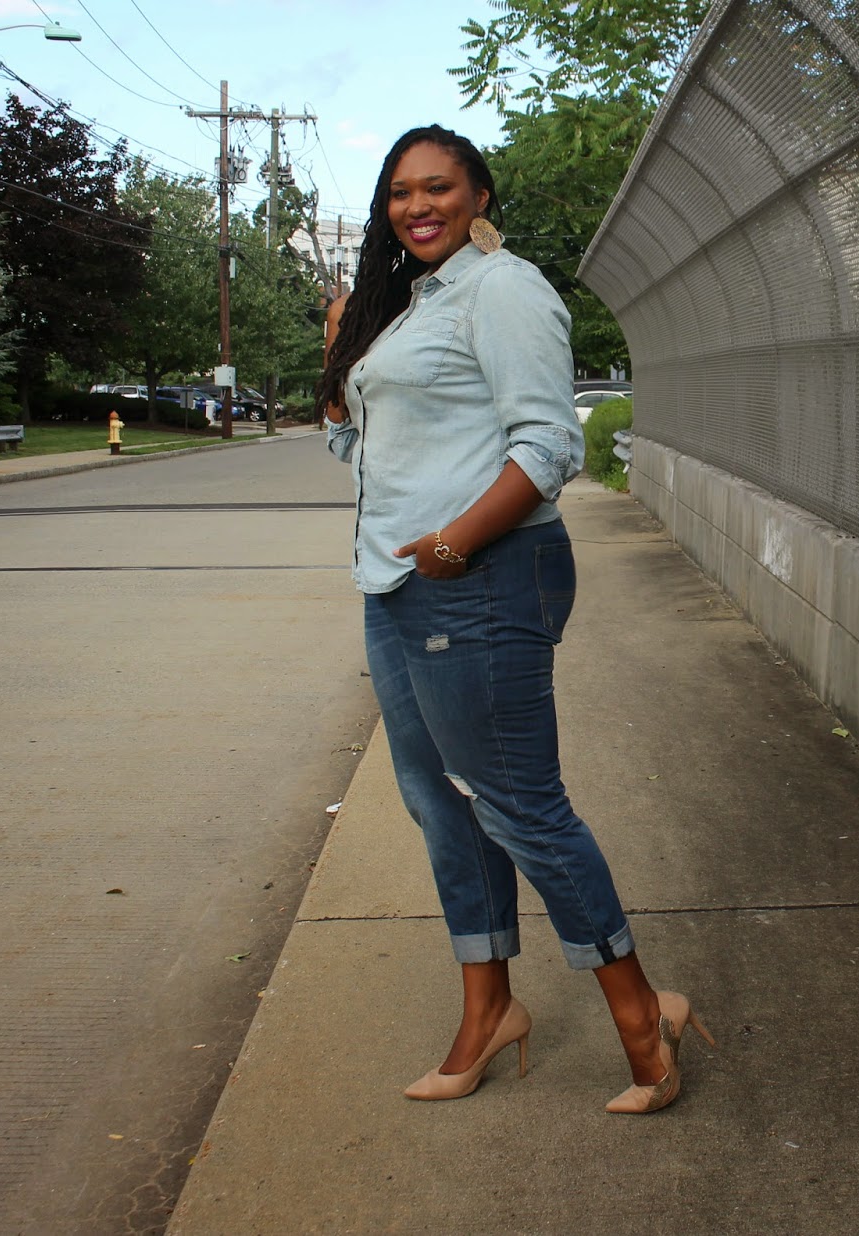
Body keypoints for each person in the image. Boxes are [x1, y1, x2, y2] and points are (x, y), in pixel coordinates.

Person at [314, 125, 714, 1113]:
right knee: (439, 803)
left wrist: (452, 545)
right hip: (398, 583)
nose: (418, 206)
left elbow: (547, 445)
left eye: (438, 187)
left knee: (519, 805)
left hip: (480, 575)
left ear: (478, 192)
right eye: (401, 192)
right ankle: (487, 1009)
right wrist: (336, 374)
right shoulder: (410, 304)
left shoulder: (505, 289)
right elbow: (375, 459)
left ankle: (640, 1015)